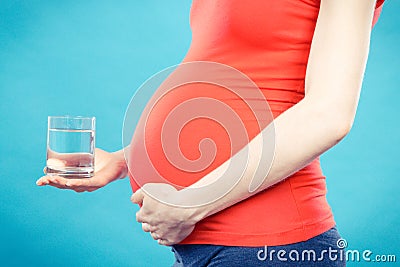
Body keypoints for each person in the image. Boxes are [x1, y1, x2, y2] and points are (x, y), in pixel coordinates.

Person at [37, 0, 385, 266]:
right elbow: (244, 83)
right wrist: (124, 159)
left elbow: (328, 114)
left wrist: (192, 202)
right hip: (202, 247)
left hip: (269, 244)